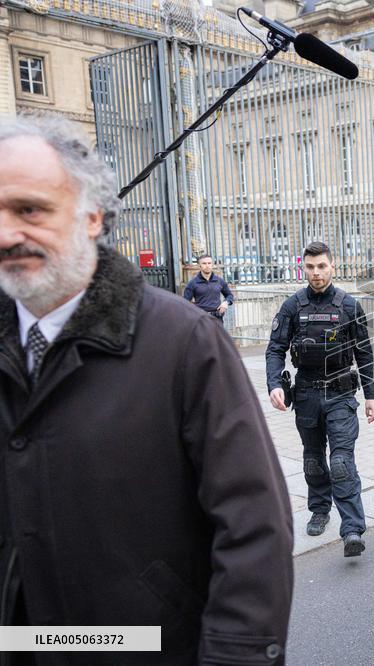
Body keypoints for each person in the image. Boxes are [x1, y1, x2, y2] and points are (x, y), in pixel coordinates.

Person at [0, 115, 293, 663]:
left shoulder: (184, 343)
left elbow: (254, 527)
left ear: (92, 217)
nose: (5, 233)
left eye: (29, 210)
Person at [266, 241, 374, 557]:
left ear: (333, 266)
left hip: (341, 393)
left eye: (322, 266)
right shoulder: (293, 306)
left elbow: (364, 353)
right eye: (310, 267)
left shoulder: (348, 305)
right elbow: (275, 348)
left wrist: (372, 396)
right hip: (306, 393)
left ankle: (353, 528)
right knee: (313, 458)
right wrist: (275, 383)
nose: (316, 273)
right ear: (304, 268)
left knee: (341, 461)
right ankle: (319, 508)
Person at [182, 253, 234, 323]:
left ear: (212, 265)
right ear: (199, 266)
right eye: (204, 263)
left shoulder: (219, 281)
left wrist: (226, 302)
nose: (207, 266)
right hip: (201, 319)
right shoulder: (192, 283)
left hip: (217, 318)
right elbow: (185, 303)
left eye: (209, 263)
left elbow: (230, 295)